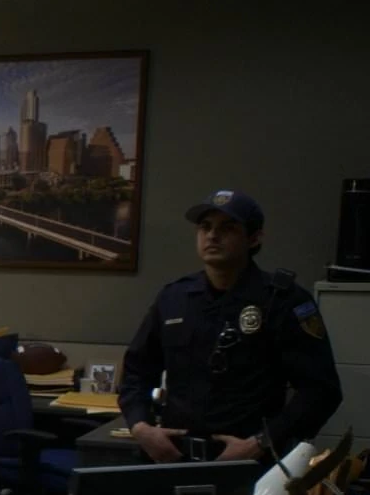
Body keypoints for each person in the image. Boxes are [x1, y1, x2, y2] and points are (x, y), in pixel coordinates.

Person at [119, 190, 341, 463]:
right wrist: (141, 427)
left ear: (254, 238)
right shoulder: (174, 298)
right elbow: (136, 372)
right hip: (174, 457)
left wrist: (263, 442)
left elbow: (321, 391)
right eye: (205, 227)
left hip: (249, 461)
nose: (212, 235)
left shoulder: (283, 300)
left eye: (228, 228)